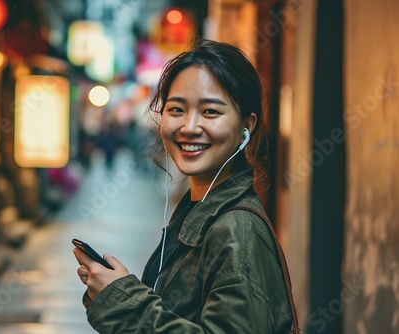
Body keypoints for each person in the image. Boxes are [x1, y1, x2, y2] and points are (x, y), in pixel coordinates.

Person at [73, 38, 297, 333]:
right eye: (177, 109)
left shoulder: (236, 230)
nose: (189, 128)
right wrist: (115, 291)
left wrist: (124, 302)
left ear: (247, 126)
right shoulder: (198, 209)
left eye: (211, 112)